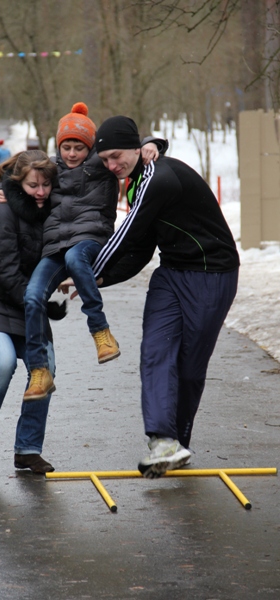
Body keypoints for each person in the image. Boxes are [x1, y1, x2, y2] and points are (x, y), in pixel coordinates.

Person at [90, 115, 240, 479]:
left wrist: (83, 275)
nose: (112, 166)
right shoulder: (140, 176)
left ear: (136, 148)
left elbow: (126, 235)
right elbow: (141, 251)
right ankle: (163, 442)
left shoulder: (157, 178)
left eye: (116, 156)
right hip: (170, 273)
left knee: (189, 366)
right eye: (105, 159)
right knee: (155, 352)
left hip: (213, 273)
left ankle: (177, 444)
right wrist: (94, 281)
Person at [0, 103, 166, 402]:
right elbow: (16, 176)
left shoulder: (103, 164)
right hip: (55, 247)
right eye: (67, 147)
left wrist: (152, 144)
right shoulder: (51, 168)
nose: (72, 154)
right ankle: (39, 371)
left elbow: (130, 146)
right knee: (32, 295)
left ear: (90, 147)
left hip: (91, 240)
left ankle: (100, 332)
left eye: (79, 147)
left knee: (75, 258)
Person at [0, 150, 62, 474]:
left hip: (25, 300)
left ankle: (28, 449)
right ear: (18, 182)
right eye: (34, 185)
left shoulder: (53, 211)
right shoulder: (2, 212)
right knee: (2, 361)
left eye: (47, 184)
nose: (42, 191)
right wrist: (42, 302)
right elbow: (6, 273)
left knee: (44, 367)